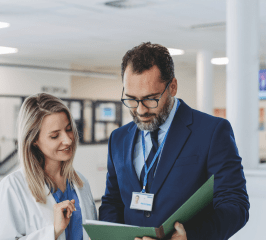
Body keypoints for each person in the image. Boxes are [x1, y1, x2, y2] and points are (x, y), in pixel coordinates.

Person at [99, 42, 249, 240]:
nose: (141, 110)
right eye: (132, 99)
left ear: (173, 87)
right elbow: (113, 202)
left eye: (151, 99)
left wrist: (192, 236)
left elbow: (235, 204)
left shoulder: (212, 131)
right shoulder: (118, 139)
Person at [0, 93, 97, 240]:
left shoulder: (81, 182)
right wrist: (53, 232)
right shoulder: (12, 187)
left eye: (68, 129)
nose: (67, 140)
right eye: (55, 135)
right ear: (34, 139)